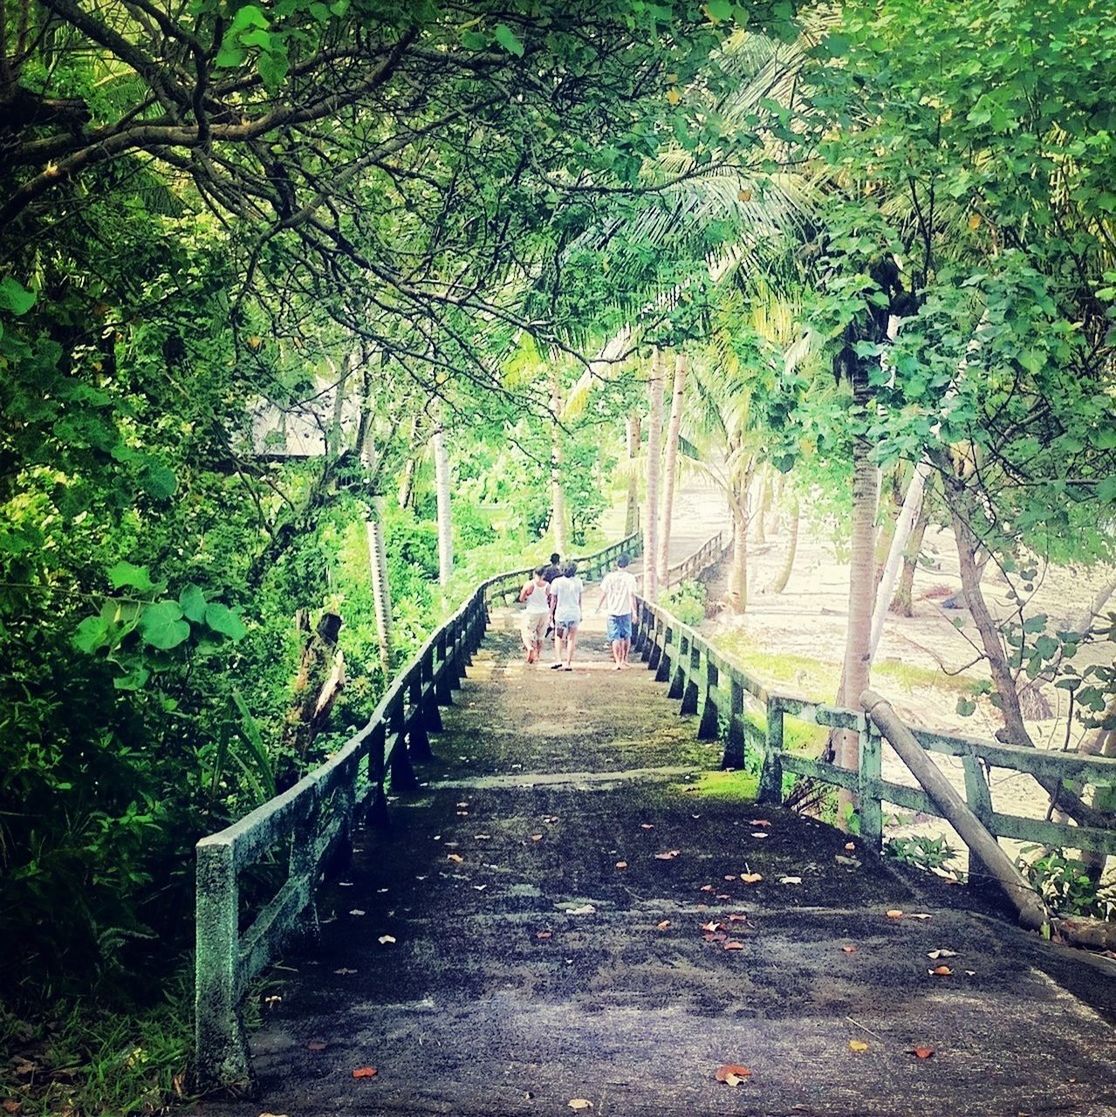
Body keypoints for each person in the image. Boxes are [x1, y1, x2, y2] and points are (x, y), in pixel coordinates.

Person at [597, 553, 639, 669]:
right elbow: (632, 596)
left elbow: (603, 593)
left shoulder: (609, 577)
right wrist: (634, 612)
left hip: (612, 611)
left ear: (617, 564)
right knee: (626, 636)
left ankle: (617, 662)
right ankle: (624, 659)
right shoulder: (630, 578)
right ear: (627, 564)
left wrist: (598, 607)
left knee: (615, 637)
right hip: (625, 611)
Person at [547, 561, 583, 670]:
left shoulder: (557, 582)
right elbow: (580, 599)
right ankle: (568, 663)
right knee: (571, 638)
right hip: (574, 612)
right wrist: (581, 612)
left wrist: (550, 613)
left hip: (561, 614)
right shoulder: (578, 582)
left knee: (559, 637)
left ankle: (558, 660)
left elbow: (553, 600)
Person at [518, 566, 551, 664]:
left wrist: (527, 597)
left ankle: (530, 648)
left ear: (534, 573)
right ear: (544, 574)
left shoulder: (529, 584)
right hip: (544, 611)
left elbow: (521, 598)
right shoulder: (547, 585)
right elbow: (548, 598)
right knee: (541, 635)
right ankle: (537, 655)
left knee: (527, 632)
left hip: (532, 611)